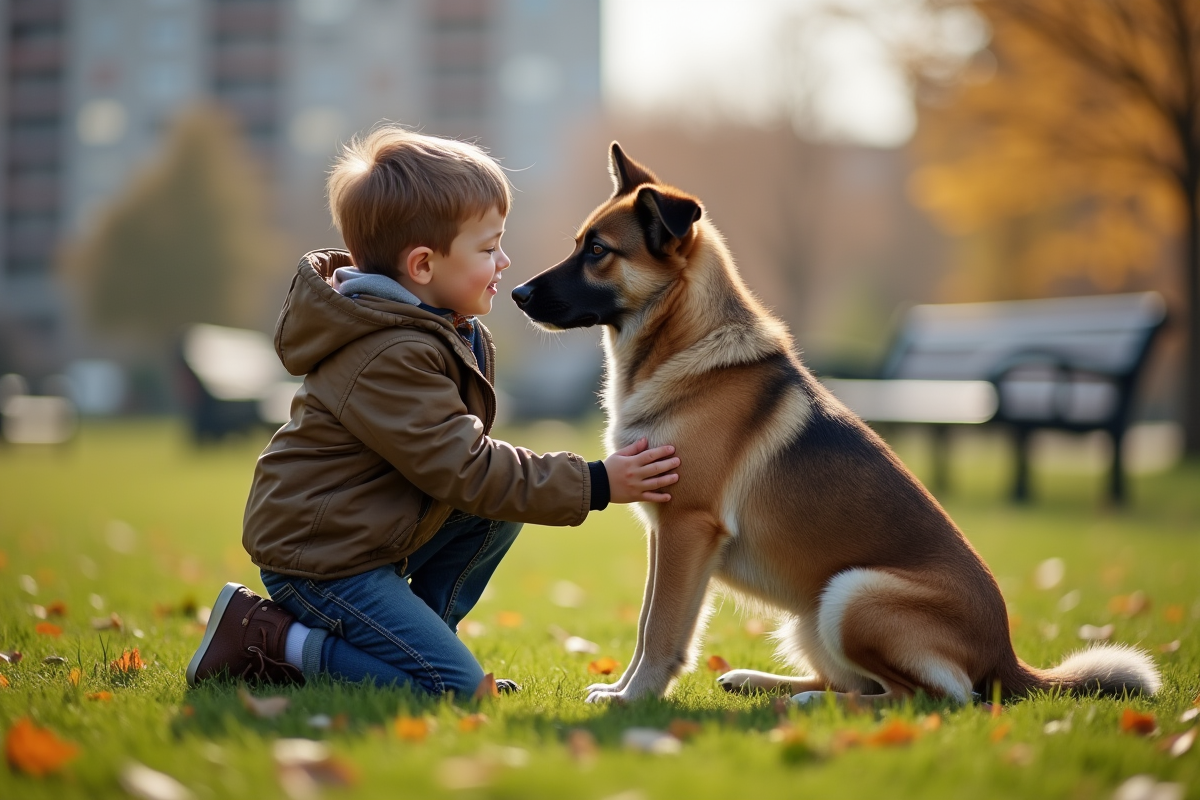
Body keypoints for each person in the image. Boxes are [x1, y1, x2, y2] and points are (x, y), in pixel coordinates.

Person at [185, 127, 679, 696]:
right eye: (489, 248)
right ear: (422, 266)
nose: (506, 260)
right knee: (453, 690)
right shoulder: (388, 352)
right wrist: (595, 483)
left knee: (494, 512)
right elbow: (466, 468)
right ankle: (269, 639)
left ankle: (419, 645)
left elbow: (471, 477)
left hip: (363, 539)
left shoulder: (437, 330)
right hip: (323, 562)